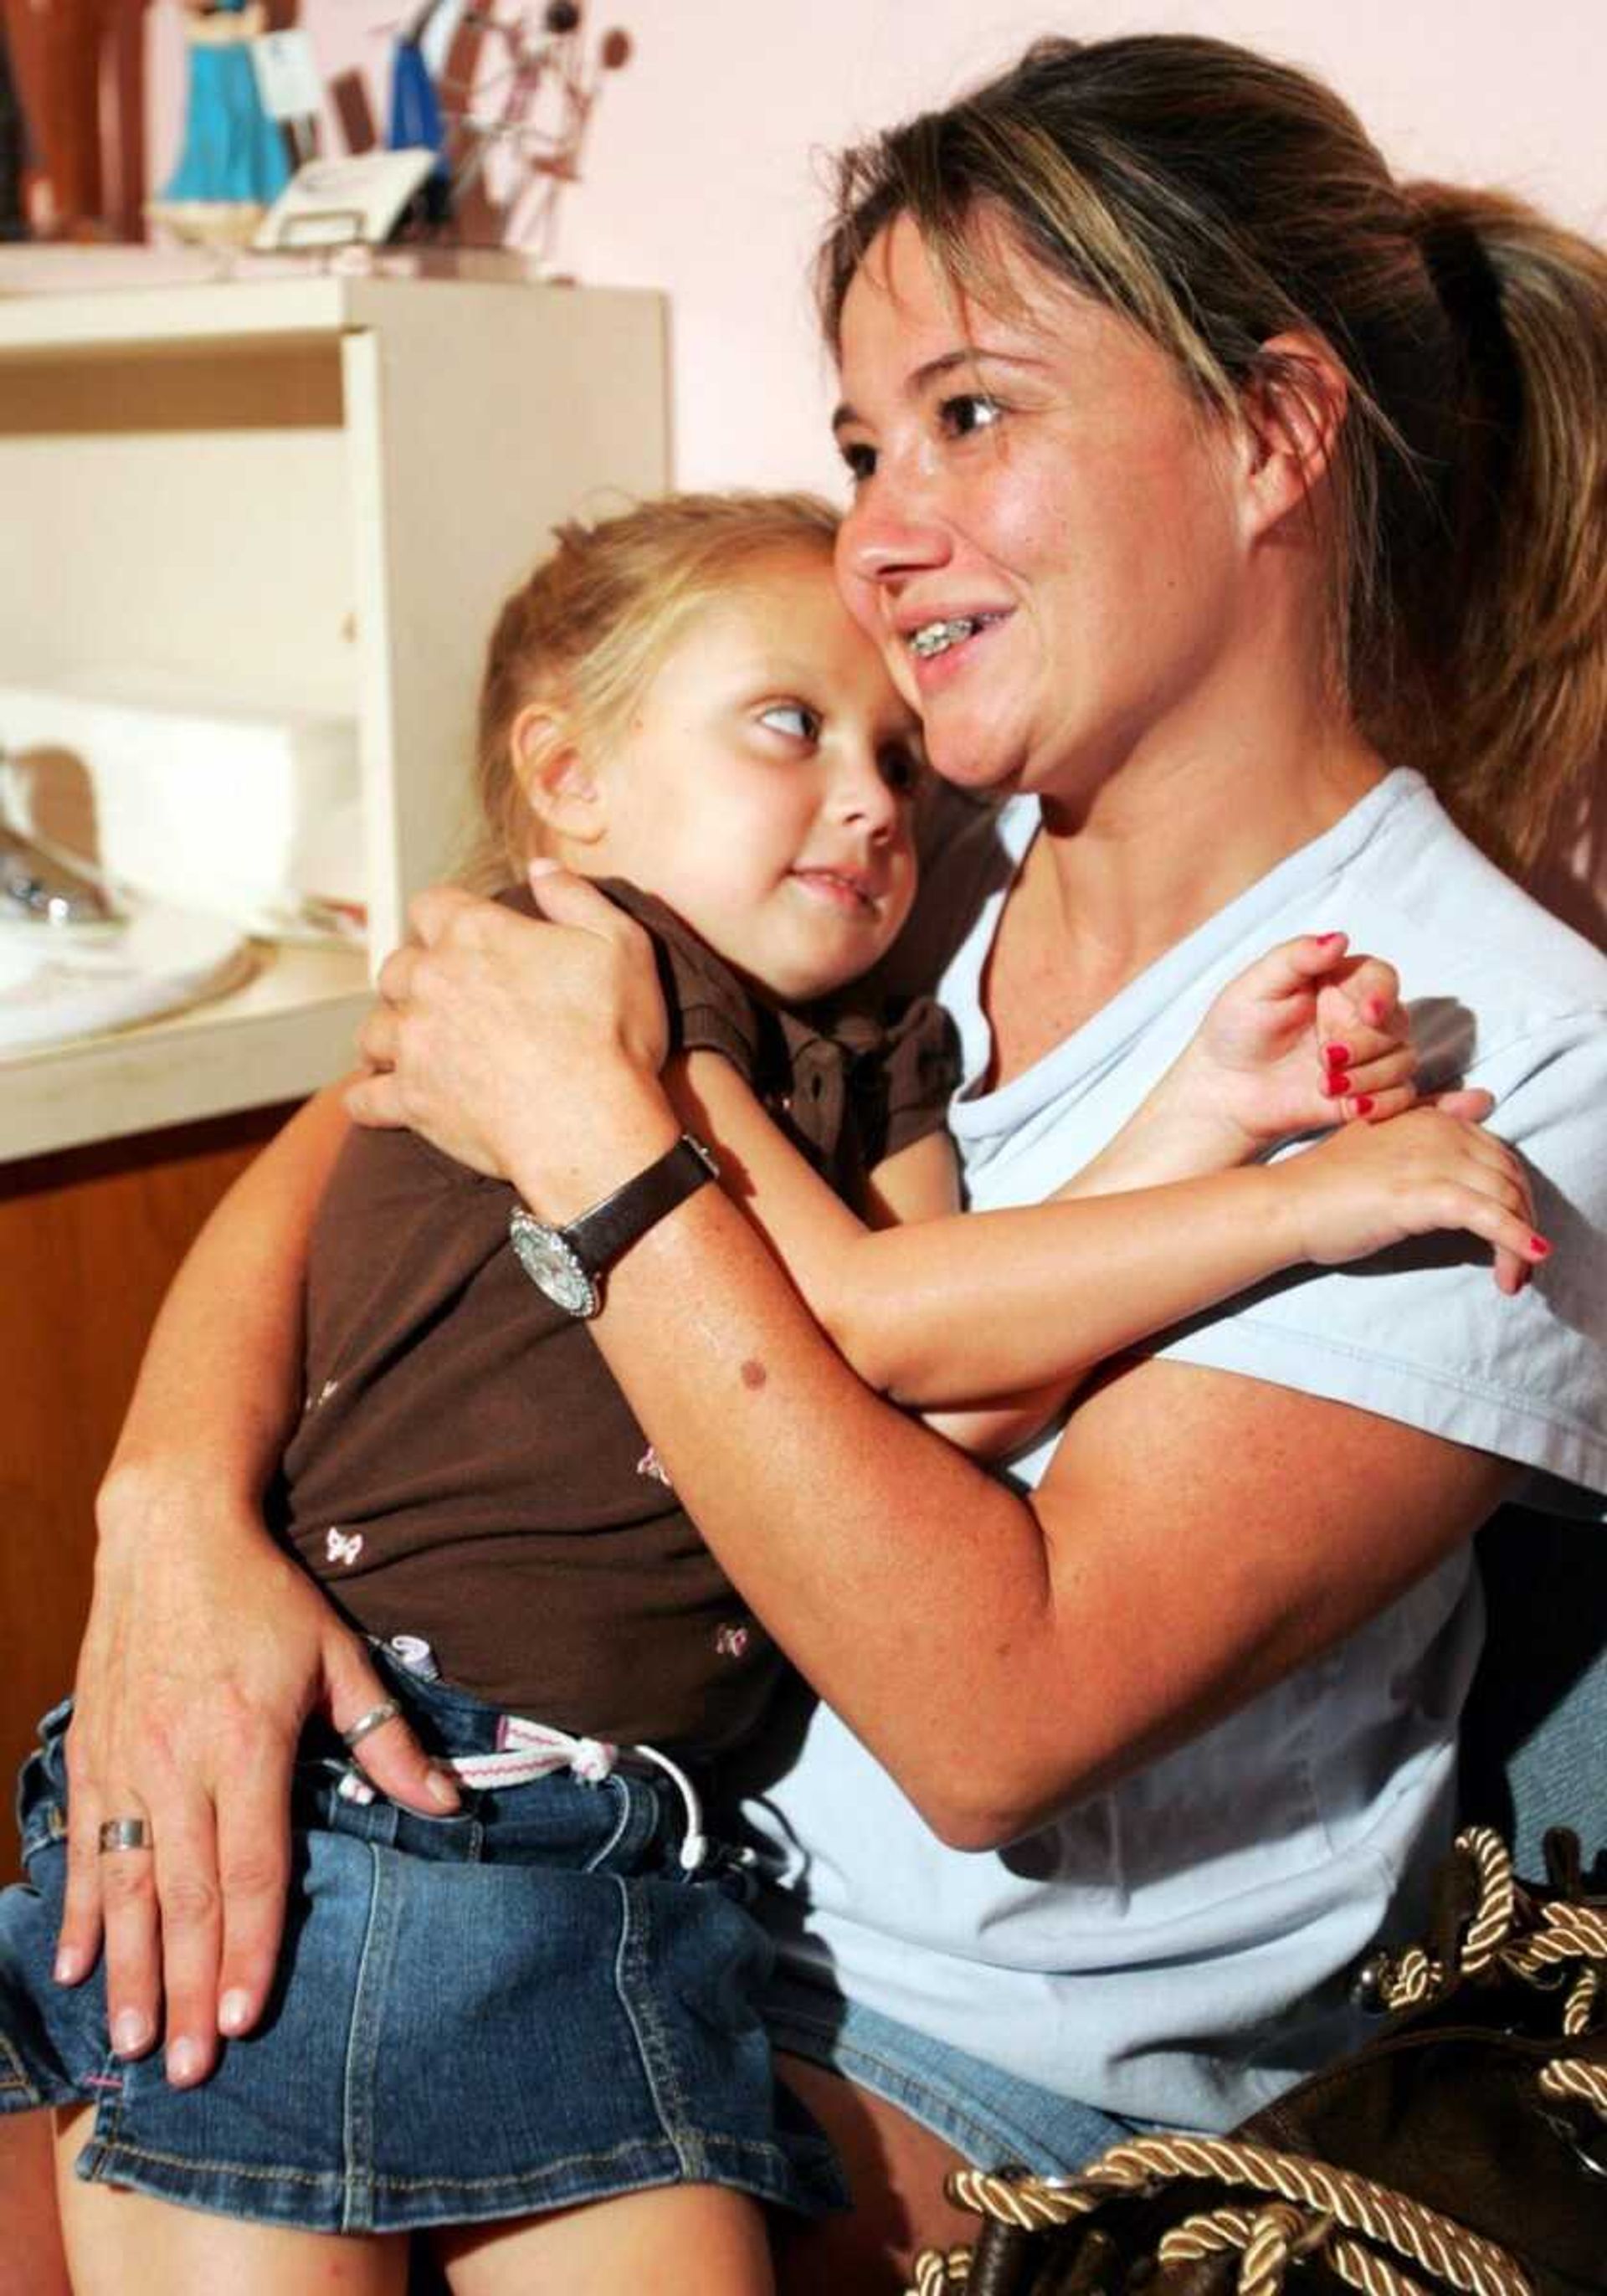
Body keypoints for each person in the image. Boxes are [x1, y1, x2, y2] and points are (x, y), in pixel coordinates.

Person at [19, 28, 1607, 2294]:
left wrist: (605, 1146)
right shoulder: (901, 858)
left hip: (951, 2044)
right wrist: (168, 1508)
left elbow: (990, 1721)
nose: (877, 530)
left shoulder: (1495, 1052)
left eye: (971, 413)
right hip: (579, 1839)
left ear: (1270, 432)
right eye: (865, 442)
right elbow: (411, 1070)